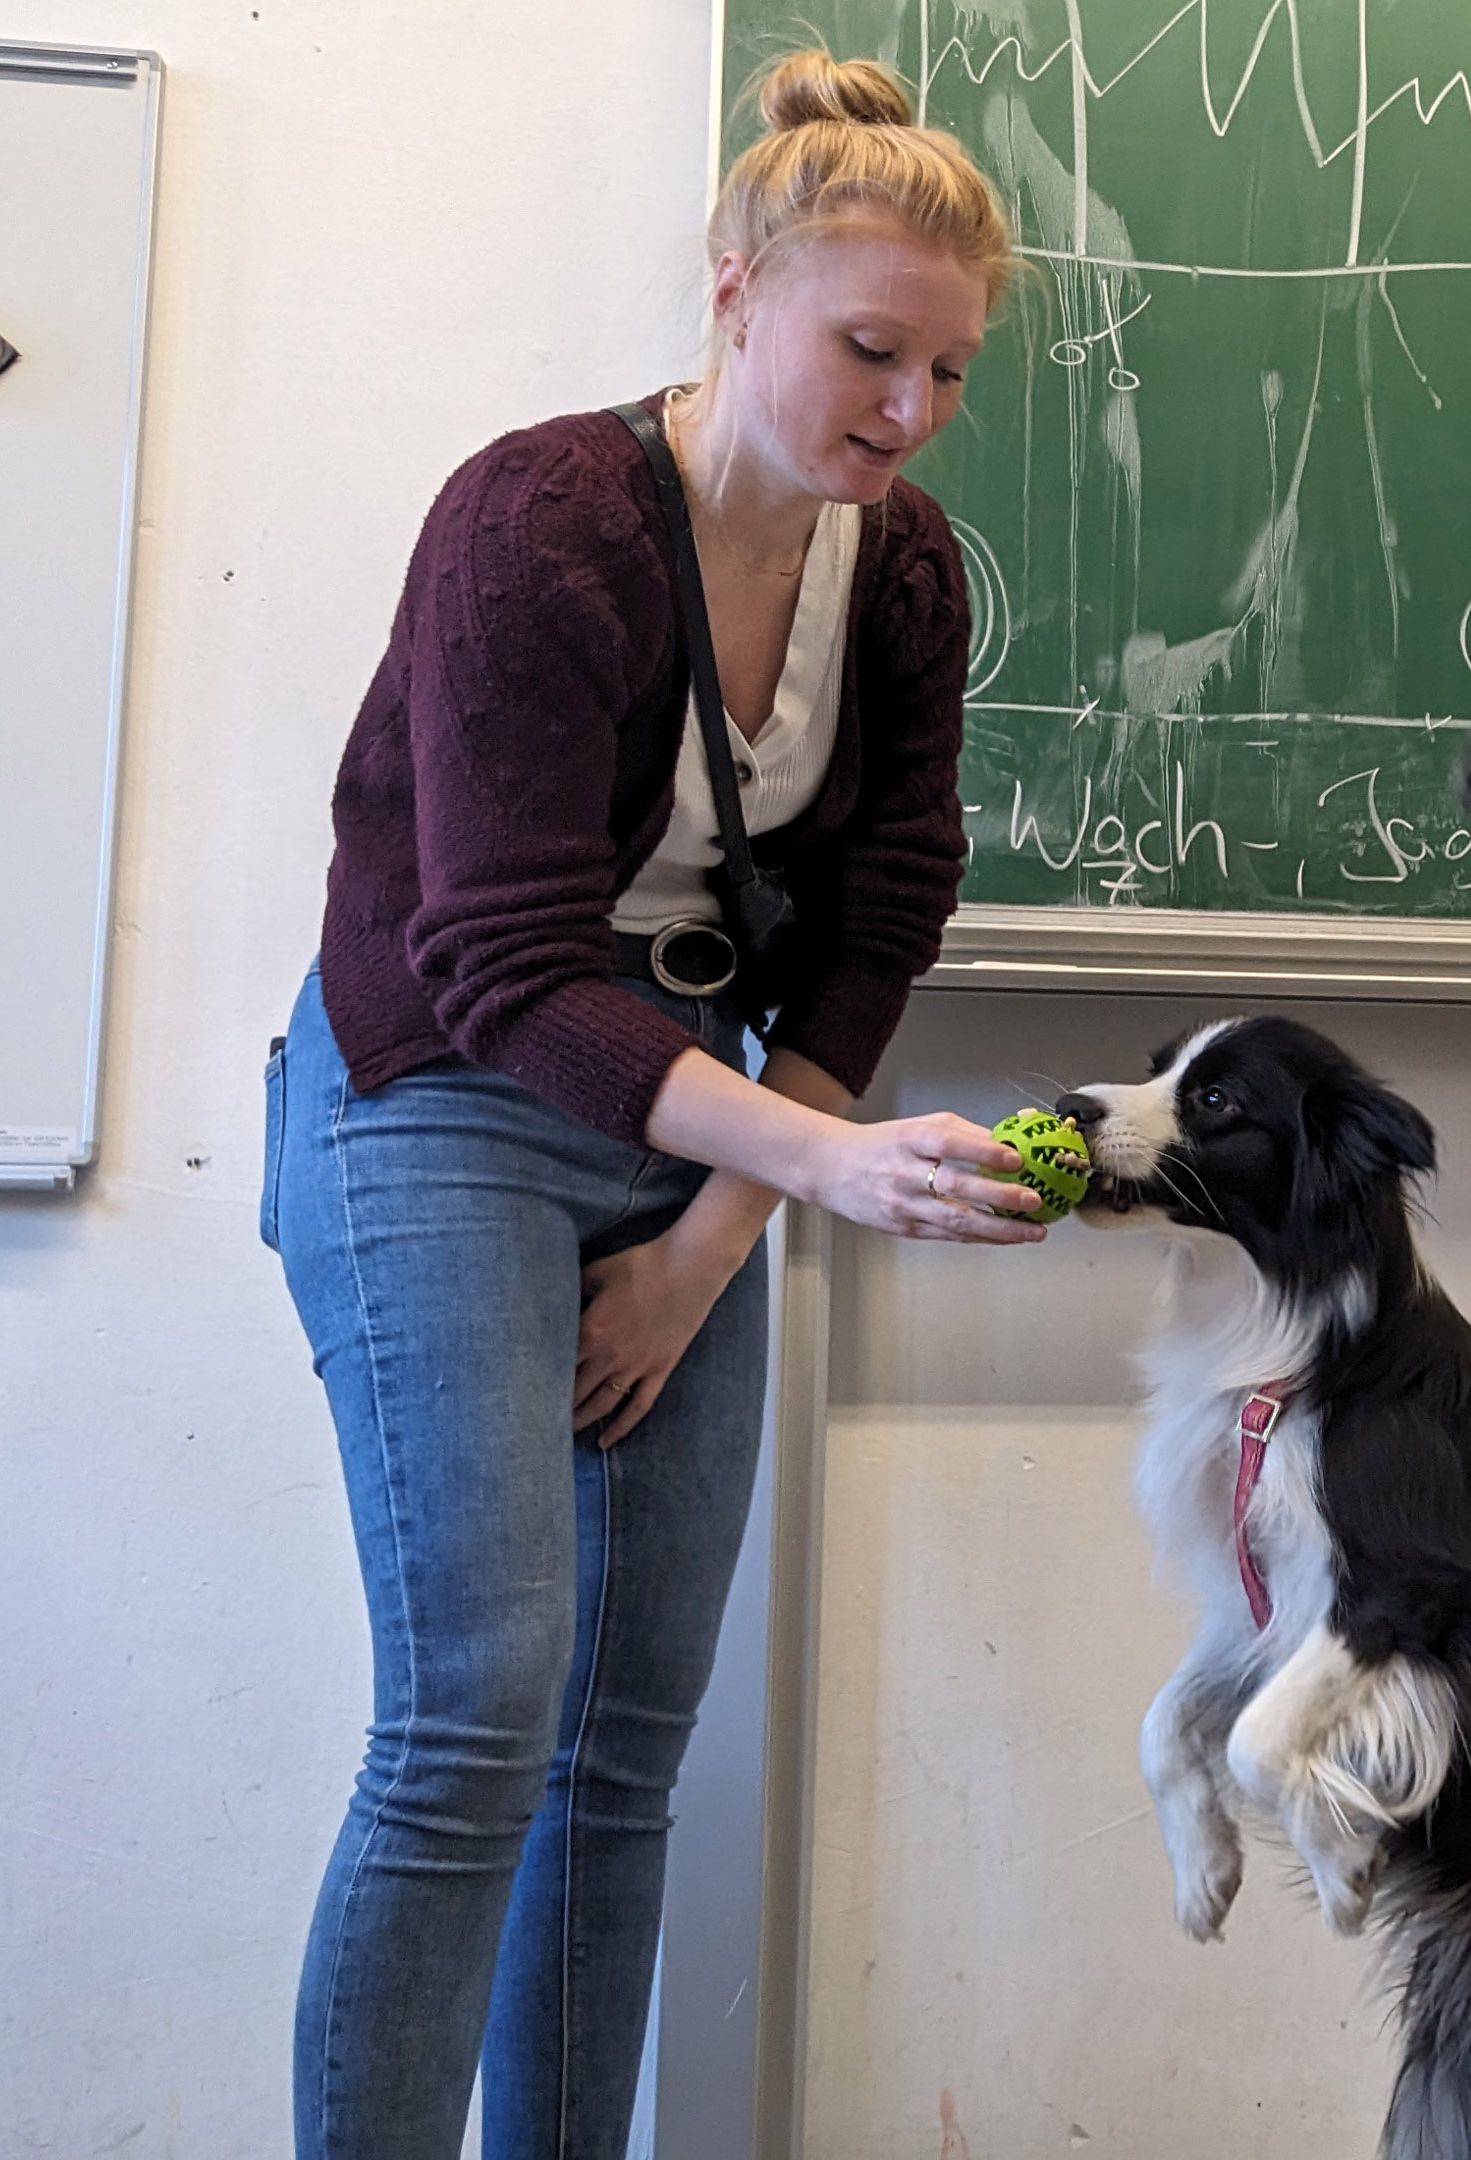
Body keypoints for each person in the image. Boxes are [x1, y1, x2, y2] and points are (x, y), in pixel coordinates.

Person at [262, 50, 1032, 2158]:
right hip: (433, 1089)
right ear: (733, 290)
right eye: (872, 351)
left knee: (620, 1754)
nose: (908, 411)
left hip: (688, 1149)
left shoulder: (916, 579)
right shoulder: (542, 517)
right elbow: (499, 959)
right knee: (474, 1721)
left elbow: (887, 915)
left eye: (951, 372)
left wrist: (711, 1244)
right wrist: (822, 1162)